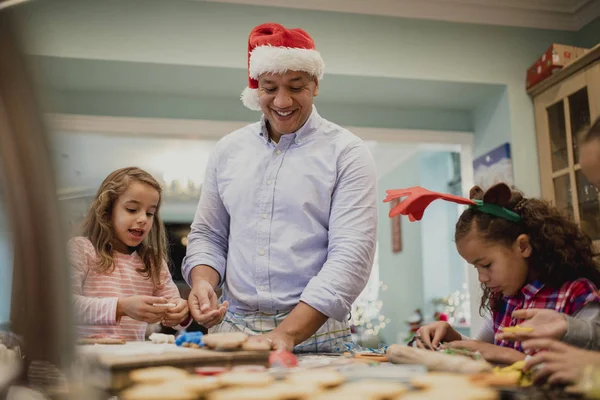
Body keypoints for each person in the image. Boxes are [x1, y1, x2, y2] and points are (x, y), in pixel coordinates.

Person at [182, 22, 378, 352]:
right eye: (270, 88)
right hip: (233, 327)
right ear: (256, 87)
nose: (282, 100)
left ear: (315, 84)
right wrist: (203, 282)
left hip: (314, 331)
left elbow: (351, 255)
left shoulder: (347, 152)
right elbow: (209, 234)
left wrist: (287, 333)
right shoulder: (229, 150)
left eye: (296, 86)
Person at [393, 183, 600, 364]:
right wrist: (451, 337)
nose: (482, 278)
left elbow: (590, 367)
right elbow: (483, 348)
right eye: (476, 268)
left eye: (486, 264)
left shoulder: (576, 294)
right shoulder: (504, 299)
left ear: (523, 246)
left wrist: (508, 356)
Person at [69, 167, 190, 341]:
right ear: (107, 211)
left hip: (129, 360)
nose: (143, 219)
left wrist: (180, 312)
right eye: (132, 209)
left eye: (150, 213)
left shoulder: (153, 262)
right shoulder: (81, 249)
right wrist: (121, 307)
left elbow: (175, 315)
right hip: (85, 362)